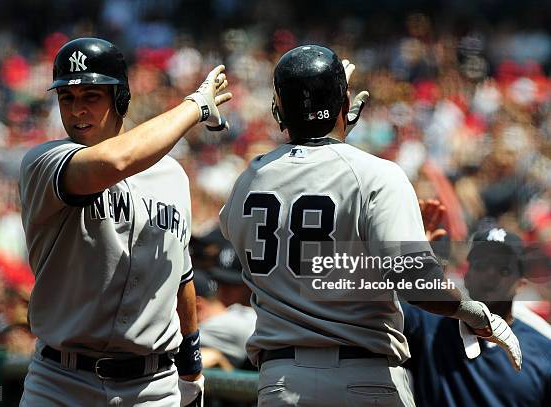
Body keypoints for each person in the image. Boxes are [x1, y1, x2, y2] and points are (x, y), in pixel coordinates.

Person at [219, 44, 521, 407]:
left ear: (279, 109)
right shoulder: (376, 173)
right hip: (361, 377)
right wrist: (473, 311)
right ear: (346, 104)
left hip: (279, 380)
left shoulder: (249, 180)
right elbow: (414, 281)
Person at [18, 37, 231, 406]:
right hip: (61, 382)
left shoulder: (172, 176)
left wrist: (191, 367)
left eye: (91, 97)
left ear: (120, 99)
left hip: (152, 385)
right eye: (67, 98)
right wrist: (194, 106)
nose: (77, 110)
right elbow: (115, 162)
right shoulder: (45, 162)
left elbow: (180, 275)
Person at [403, 201, 551, 407]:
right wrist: (411, 258)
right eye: (482, 265)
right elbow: (377, 307)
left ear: (521, 283)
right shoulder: (426, 326)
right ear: (466, 276)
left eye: (503, 269)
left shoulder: (544, 352)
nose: (490, 273)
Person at [194, 242, 256, 369]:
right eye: (220, 282)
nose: (224, 290)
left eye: (233, 284)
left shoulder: (239, 321)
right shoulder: (235, 314)